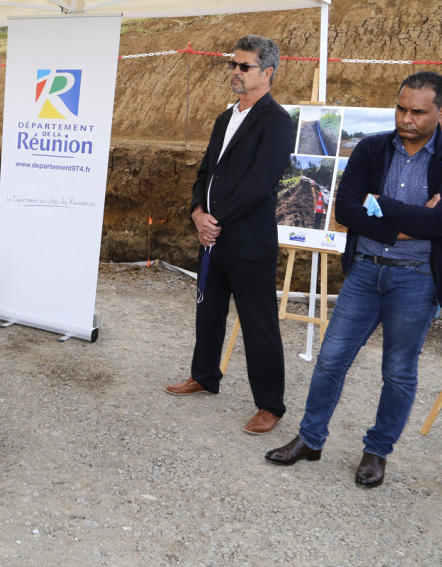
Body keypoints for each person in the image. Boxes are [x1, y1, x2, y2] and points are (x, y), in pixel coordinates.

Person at [266, 72, 442, 487]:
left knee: (398, 373)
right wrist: (405, 221)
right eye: (401, 108)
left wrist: (381, 206)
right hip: (363, 271)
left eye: (419, 111)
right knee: (330, 361)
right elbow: (346, 210)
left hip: (417, 280)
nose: (407, 118)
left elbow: (440, 220)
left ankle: (377, 452)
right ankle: (310, 440)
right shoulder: (371, 148)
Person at [164, 35, 295, 434]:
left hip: (248, 241)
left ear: (267, 72)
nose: (234, 73)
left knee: (259, 326)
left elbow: (260, 185)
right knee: (209, 312)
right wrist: (196, 212)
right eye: (232, 65)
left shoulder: (276, 121)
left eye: (244, 67)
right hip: (213, 237)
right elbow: (206, 173)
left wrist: (214, 221)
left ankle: (270, 405)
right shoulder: (225, 118)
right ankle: (204, 376)